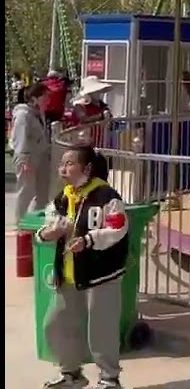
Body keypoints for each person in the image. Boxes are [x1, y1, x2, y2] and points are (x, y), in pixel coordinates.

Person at [37, 144, 129, 389]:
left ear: (87, 168)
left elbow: (117, 229)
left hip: (102, 275)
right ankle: (71, 375)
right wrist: (48, 233)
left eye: (69, 163)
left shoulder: (107, 196)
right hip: (69, 275)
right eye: (61, 164)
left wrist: (89, 240)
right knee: (55, 325)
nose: (63, 168)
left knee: (102, 330)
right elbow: (45, 228)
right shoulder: (62, 197)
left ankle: (109, 379)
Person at [13, 83, 53, 220]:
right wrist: (24, 160)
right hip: (28, 159)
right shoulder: (23, 115)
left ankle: (37, 220)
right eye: (45, 97)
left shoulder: (39, 114)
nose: (47, 100)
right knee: (26, 192)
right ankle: (20, 222)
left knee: (42, 192)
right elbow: (20, 138)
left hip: (41, 157)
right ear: (34, 98)